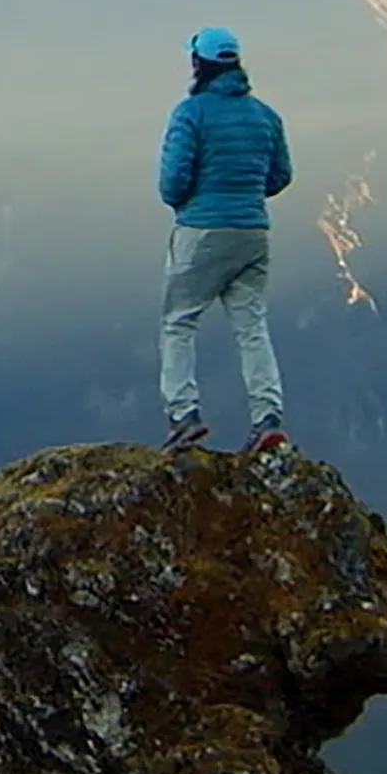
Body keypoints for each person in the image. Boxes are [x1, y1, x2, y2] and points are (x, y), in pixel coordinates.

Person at [155, 23, 293, 453]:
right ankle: (266, 418)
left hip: (202, 230)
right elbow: (280, 176)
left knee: (179, 322)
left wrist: (197, 200)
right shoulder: (266, 116)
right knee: (251, 326)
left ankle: (184, 416)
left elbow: (171, 184)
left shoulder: (189, 114)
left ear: (200, 63)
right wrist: (244, 192)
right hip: (253, 232)